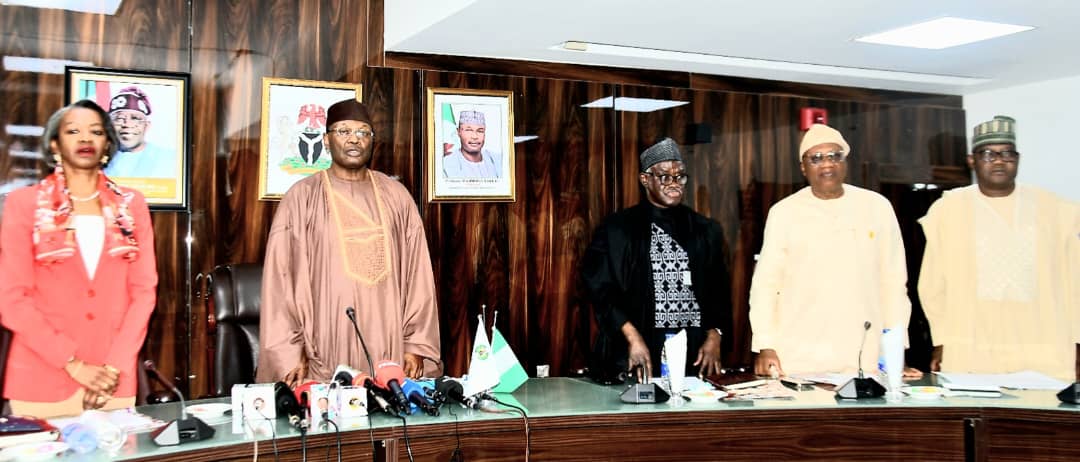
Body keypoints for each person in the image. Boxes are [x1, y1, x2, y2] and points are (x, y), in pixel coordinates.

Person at [257, 99, 442, 386]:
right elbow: (281, 282)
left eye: (363, 132)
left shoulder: (397, 196)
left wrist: (416, 344)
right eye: (343, 131)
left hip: (391, 353)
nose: (354, 139)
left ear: (372, 141)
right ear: (326, 140)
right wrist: (289, 354)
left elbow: (418, 276)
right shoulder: (302, 198)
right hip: (325, 355)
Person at [0, 100, 158, 418]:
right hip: (41, 380)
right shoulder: (24, 205)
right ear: (55, 145)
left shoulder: (132, 205)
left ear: (106, 145)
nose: (85, 138)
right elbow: (12, 299)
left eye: (95, 131)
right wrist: (73, 365)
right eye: (73, 131)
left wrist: (112, 368)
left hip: (112, 382)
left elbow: (143, 294)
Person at [918, 115, 1080, 378]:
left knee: (1040, 417)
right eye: (988, 154)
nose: (999, 160)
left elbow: (1075, 281)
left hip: (1043, 345)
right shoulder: (948, 210)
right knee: (977, 415)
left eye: (1007, 153)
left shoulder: (1054, 208)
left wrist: (1078, 341)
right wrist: (941, 340)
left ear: (1017, 159)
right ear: (972, 160)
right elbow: (932, 284)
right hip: (972, 346)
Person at [749, 124, 913, 377]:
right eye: (816, 158)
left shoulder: (877, 207)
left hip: (865, 353)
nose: (827, 164)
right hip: (799, 354)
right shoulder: (784, 213)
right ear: (803, 167)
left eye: (834, 156)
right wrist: (765, 344)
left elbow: (893, 283)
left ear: (845, 162)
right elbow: (766, 286)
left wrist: (895, 349)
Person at [581, 138, 731, 383]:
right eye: (664, 177)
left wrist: (715, 335)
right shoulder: (617, 230)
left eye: (680, 176)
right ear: (645, 179)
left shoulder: (705, 230)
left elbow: (719, 291)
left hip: (693, 354)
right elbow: (601, 290)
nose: (674, 184)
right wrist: (631, 337)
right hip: (639, 349)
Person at [103, 86, 176, 178]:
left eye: (135, 118)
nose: (127, 124)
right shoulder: (97, 159)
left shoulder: (171, 160)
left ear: (147, 125)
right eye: (119, 118)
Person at [442, 110, 501, 178]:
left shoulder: (496, 160)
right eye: (469, 130)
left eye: (480, 131)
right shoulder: (446, 164)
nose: (475, 136)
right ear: (458, 132)